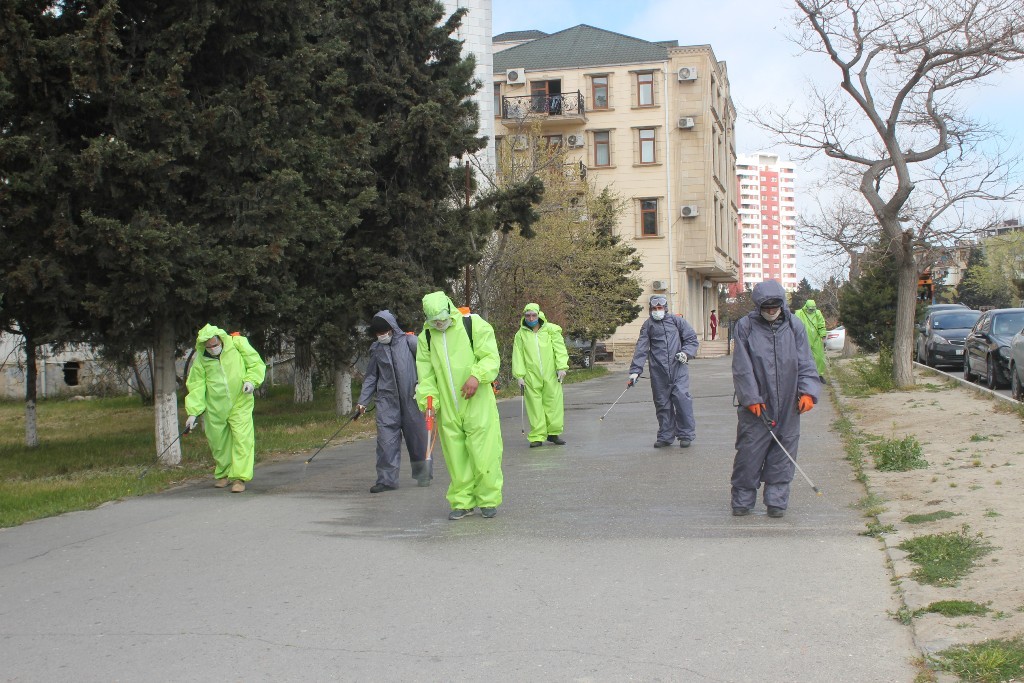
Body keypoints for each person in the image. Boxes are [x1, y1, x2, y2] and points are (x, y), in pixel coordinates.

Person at [730, 280, 820, 518]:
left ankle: (777, 501)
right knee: (749, 453)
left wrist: (808, 391)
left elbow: (805, 361)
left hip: (790, 404)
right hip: (756, 405)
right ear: (758, 305)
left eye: (775, 306)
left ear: (782, 303)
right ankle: (742, 499)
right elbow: (742, 366)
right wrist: (750, 397)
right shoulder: (745, 327)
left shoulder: (794, 326)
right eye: (766, 307)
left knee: (783, 453)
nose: (771, 311)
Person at [415, 292, 504, 520]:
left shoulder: (471, 324)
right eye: (434, 320)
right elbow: (426, 376)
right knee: (456, 457)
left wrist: (477, 376)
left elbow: (490, 357)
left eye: (442, 318)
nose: (439, 323)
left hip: (478, 403)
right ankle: (463, 502)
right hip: (447, 407)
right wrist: (428, 401)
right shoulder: (426, 336)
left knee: (484, 453)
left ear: (449, 309)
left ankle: (488, 499)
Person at [185, 324, 267, 493]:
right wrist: (193, 413)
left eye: (215, 344)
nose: (213, 348)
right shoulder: (201, 359)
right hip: (215, 406)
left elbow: (255, 363)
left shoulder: (237, 344)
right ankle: (224, 473)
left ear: (220, 339)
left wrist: (251, 381)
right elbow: (196, 386)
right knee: (218, 441)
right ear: (203, 346)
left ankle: (239, 478)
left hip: (240, 401)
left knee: (242, 438)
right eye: (209, 346)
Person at [356, 311, 430, 492]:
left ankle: (423, 475)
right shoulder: (376, 349)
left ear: (392, 329)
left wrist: (428, 391)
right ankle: (386, 480)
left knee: (418, 439)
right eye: (378, 333)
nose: (381, 335)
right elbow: (371, 377)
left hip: (412, 399)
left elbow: (426, 367)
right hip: (386, 402)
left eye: (384, 331)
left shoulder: (410, 342)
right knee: (386, 441)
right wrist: (362, 402)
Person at [628, 295, 700, 448]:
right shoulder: (648, 325)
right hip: (658, 371)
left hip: (678, 368)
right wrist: (635, 371)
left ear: (665, 308)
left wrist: (686, 353)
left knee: (682, 400)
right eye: (654, 308)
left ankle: (685, 434)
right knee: (662, 403)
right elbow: (641, 348)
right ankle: (666, 435)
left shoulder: (676, 321)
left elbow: (691, 339)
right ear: (650, 309)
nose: (657, 311)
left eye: (660, 308)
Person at [511, 303, 569, 448]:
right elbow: (518, 355)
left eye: (533, 315)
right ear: (524, 316)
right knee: (535, 406)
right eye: (528, 315)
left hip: (551, 374)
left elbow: (559, 349)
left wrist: (561, 367)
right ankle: (537, 436)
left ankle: (553, 433)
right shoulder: (520, 335)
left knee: (553, 403)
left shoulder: (550, 330)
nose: (531, 318)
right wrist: (519, 375)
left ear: (539, 315)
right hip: (531, 376)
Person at [794, 299, 828, 382]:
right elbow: (795, 325)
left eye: (813, 309)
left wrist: (823, 335)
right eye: (810, 309)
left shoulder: (818, 313)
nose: (812, 311)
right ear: (806, 307)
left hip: (816, 338)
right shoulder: (799, 313)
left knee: (819, 358)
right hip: (804, 338)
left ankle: (819, 375)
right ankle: (805, 376)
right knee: (804, 358)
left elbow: (821, 324)